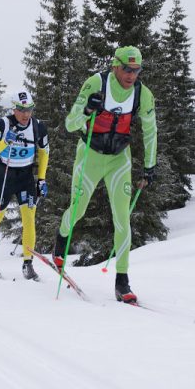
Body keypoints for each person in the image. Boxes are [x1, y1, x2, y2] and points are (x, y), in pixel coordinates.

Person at [52, 46, 157, 303]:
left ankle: (122, 281)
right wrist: (87, 110)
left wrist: (149, 166)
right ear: (115, 66)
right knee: (79, 209)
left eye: (137, 70)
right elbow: (70, 123)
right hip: (91, 154)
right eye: (127, 69)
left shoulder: (142, 94)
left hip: (119, 158)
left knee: (122, 218)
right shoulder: (96, 83)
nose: (132, 75)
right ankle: (61, 238)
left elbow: (150, 130)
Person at [0, 89, 49, 281]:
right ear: (14, 108)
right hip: (4, 174)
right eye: (21, 109)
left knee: (29, 218)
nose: (25, 114)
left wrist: (42, 179)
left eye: (29, 109)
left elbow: (44, 153)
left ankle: (28, 263)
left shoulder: (38, 127)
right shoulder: (3, 124)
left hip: (26, 176)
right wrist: (4, 142)